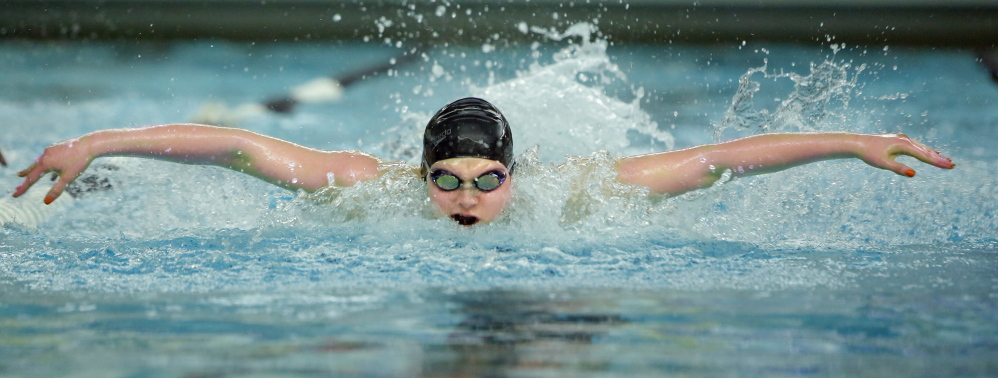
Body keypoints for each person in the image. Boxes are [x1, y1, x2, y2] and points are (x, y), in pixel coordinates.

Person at [11, 97, 955, 226]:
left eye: (486, 181)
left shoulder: (580, 195)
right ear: (418, 175)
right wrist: (95, 140)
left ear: (517, 174)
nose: (466, 201)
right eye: (448, 182)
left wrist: (851, 142)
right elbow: (232, 147)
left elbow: (725, 160)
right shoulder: (360, 188)